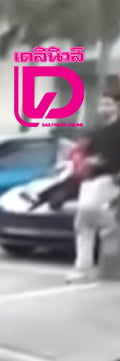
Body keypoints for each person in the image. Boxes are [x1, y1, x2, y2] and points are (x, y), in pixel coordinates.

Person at [69, 92, 120, 283]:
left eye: (108, 104)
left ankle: (83, 269)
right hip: (90, 180)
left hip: (108, 179)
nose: (103, 108)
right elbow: (82, 152)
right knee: (87, 223)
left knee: (85, 219)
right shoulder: (95, 131)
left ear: (117, 106)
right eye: (101, 104)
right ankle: (90, 267)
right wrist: (81, 160)